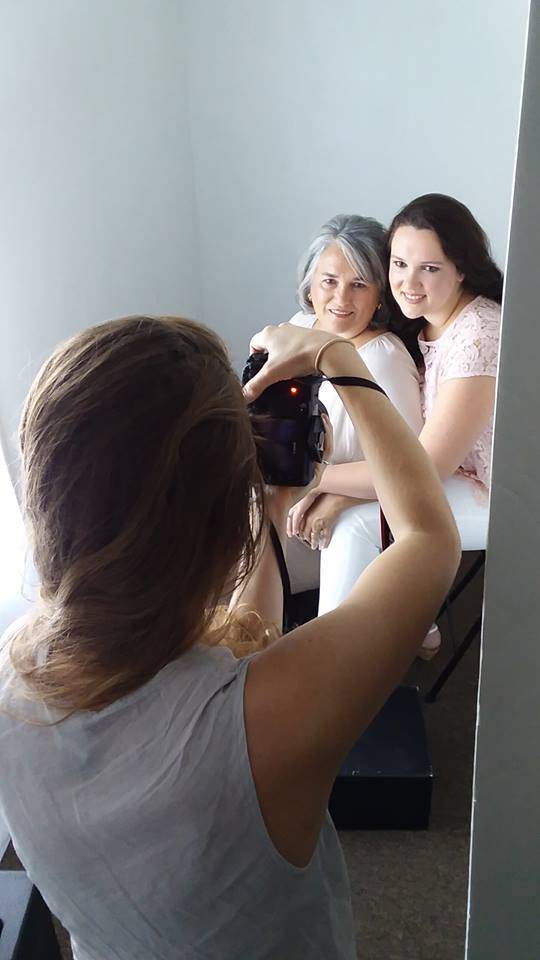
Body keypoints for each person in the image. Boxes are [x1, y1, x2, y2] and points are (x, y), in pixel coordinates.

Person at [0, 315, 460, 960]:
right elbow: (427, 539)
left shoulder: (16, 670)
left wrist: (269, 512)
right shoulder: (267, 722)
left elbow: (240, 649)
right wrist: (340, 361)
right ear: (219, 522)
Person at [289, 194, 503, 658]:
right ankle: (406, 626)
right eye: (400, 263)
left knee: (359, 526)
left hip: (501, 493)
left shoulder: (480, 334)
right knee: (362, 513)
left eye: (429, 268)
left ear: (461, 269)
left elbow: (421, 470)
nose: (408, 281)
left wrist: (320, 479)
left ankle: (330, 668)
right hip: (448, 476)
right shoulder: (425, 321)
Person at [283, 214, 424, 613]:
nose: (341, 299)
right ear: (310, 287)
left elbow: (409, 472)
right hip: (288, 501)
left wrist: (327, 489)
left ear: (380, 295)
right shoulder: (298, 329)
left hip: (322, 527)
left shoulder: (383, 360)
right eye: (329, 281)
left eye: (359, 284)